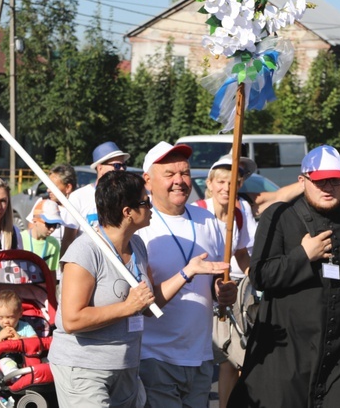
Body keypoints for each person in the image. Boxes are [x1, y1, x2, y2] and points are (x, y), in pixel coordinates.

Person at [229, 145, 340, 408]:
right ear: (303, 181)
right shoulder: (279, 216)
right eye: (320, 181)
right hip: (287, 349)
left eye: (335, 180)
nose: (328, 187)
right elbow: (261, 276)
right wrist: (303, 255)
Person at [48, 170, 229, 408]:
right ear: (127, 212)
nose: (151, 207)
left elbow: (148, 306)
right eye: (145, 202)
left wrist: (188, 272)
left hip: (125, 367)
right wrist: (126, 307)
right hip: (84, 368)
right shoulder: (86, 251)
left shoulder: (137, 245)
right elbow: (72, 320)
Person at [135, 141, 238, 408]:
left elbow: (216, 279)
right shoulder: (139, 226)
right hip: (154, 356)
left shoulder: (207, 220)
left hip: (200, 356)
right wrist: (186, 272)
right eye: (169, 174)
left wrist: (223, 291)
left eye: (185, 173)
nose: (179, 181)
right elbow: (144, 304)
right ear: (148, 180)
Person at [193, 154, 256, 408]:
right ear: (209, 183)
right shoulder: (197, 212)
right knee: (206, 359)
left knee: (232, 358)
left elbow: (241, 253)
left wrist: (259, 280)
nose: (226, 188)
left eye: (232, 182)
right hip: (203, 295)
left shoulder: (239, 213)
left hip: (232, 293)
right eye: (220, 182)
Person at [68, 142, 130, 229]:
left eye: (124, 165)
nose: (122, 169)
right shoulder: (78, 197)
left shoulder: (128, 195)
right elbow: (69, 238)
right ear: (100, 167)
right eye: (117, 165)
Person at [26, 164, 78, 254]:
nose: (48, 190)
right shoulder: (42, 203)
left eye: (53, 186)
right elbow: (31, 234)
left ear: (68, 187)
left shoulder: (77, 209)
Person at [0, 290, 37, 376]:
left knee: (39, 361)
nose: (5, 321)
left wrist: (20, 338)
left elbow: (37, 342)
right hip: (6, 359)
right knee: (5, 363)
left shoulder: (25, 327)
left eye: (10, 317)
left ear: (20, 313)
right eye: (1, 317)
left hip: (26, 359)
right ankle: (16, 377)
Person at [22, 199, 65, 282]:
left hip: (42, 291)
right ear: (35, 221)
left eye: (55, 225)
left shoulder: (53, 244)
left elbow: (52, 272)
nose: (52, 229)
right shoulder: (20, 238)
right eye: (49, 224)